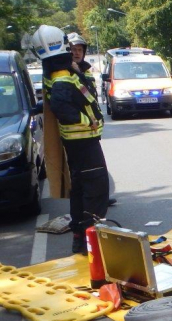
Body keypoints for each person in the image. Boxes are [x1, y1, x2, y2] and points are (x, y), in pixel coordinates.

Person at [32, 25, 109, 254]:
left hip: (79, 146)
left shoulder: (59, 72)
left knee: (81, 191)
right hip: (83, 144)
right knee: (95, 192)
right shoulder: (62, 77)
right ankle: (91, 244)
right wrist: (88, 121)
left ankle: (82, 240)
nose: (74, 51)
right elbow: (62, 107)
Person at [68, 32, 118, 207]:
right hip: (78, 135)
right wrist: (89, 121)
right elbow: (66, 107)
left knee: (95, 174)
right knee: (88, 176)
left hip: (89, 133)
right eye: (73, 49)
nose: (76, 53)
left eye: (79, 49)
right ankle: (88, 214)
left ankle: (99, 202)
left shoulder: (84, 70)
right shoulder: (67, 73)